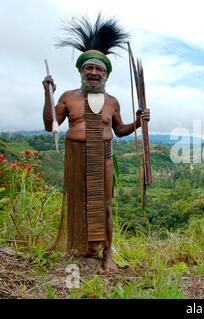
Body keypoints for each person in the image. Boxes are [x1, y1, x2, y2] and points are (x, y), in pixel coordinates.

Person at [42, 15, 149, 273]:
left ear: (106, 75)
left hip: (103, 155)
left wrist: (138, 122)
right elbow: (50, 125)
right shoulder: (68, 97)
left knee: (104, 206)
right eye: (89, 68)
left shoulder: (111, 102)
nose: (93, 72)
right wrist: (47, 93)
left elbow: (120, 131)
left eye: (99, 69)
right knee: (78, 202)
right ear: (81, 71)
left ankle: (107, 255)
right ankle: (86, 248)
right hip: (76, 154)